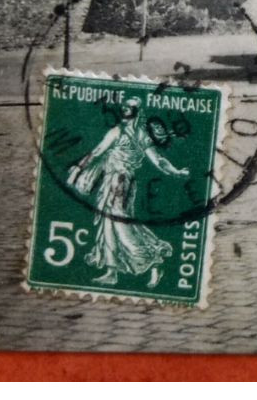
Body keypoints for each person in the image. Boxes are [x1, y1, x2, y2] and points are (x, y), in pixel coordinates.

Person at [66, 98, 189, 287]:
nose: (124, 109)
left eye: (128, 107)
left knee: (121, 225)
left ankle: (153, 261)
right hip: (114, 182)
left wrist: (175, 171)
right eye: (123, 106)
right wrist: (78, 166)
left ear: (135, 111)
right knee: (109, 224)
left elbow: (158, 160)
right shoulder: (124, 132)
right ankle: (112, 271)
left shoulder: (136, 135)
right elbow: (97, 152)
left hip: (120, 182)